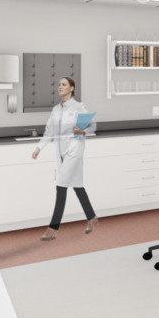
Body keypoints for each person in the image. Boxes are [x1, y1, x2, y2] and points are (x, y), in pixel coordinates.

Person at [31, 77, 98, 241]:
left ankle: (53, 227)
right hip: (60, 151)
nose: (60, 87)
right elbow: (49, 132)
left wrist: (83, 132)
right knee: (77, 185)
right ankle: (92, 217)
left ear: (72, 88)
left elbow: (93, 126)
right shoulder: (55, 110)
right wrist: (39, 147)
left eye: (64, 84)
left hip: (74, 149)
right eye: (59, 84)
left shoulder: (79, 107)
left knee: (61, 185)